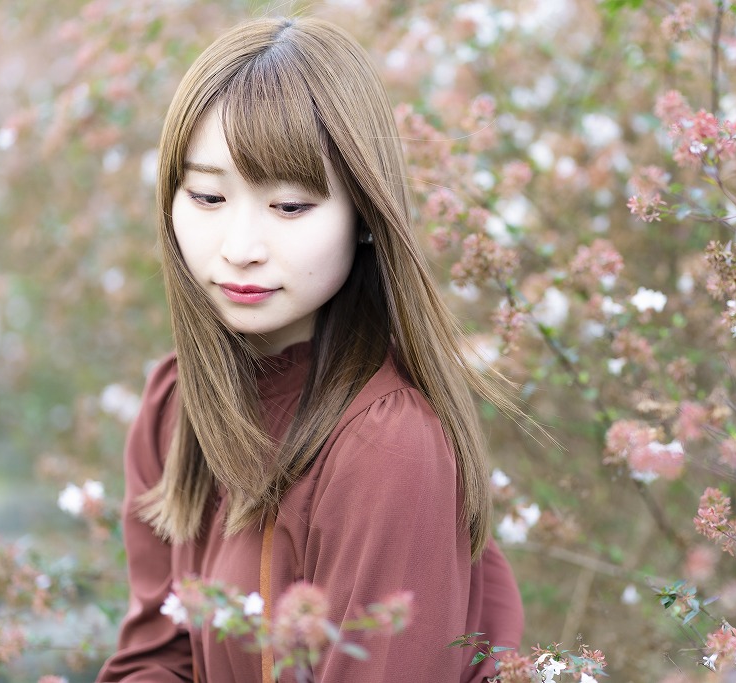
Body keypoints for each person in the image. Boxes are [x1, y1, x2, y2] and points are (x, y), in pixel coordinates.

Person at [96, 14, 524, 683]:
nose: (240, 246)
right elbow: (159, 658)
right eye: (207, 196)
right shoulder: (175, 405)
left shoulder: (387, 448)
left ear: (363, 215)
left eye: (290, 206)